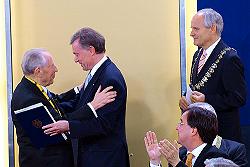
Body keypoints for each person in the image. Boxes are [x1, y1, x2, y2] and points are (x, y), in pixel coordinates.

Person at [11, 48, 116, 167]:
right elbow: (57, 125)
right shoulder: (27, 100)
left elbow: (57, 102)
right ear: (38, 71)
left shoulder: (31, 87)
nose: (56, 69)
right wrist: (93, 106)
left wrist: (79, 89)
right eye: (51, 66)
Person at [43, 27, 130, 167]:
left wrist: (68, 126)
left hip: (104, 159)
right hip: (94, 156)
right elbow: (80, 104)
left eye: (77, 54)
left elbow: (103, 124)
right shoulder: (97, 73)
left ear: (91, 50)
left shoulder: (109, 79)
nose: (75, 60)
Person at [179, 8, 247, 142]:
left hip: (223, 136)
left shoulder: (229, 58)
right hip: (200, 135)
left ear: (213, 28)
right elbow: (197, 86)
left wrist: (206, 99)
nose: (191, 33)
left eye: (196, 29)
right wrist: (187, 102)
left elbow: (238, 98)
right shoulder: (197, 55)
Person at [144, 107, 228, 167]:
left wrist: (177, 163)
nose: (177, 128)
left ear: (193, 131)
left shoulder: (217, 157)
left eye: (181, 123)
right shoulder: (180, 153)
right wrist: (155, 161)